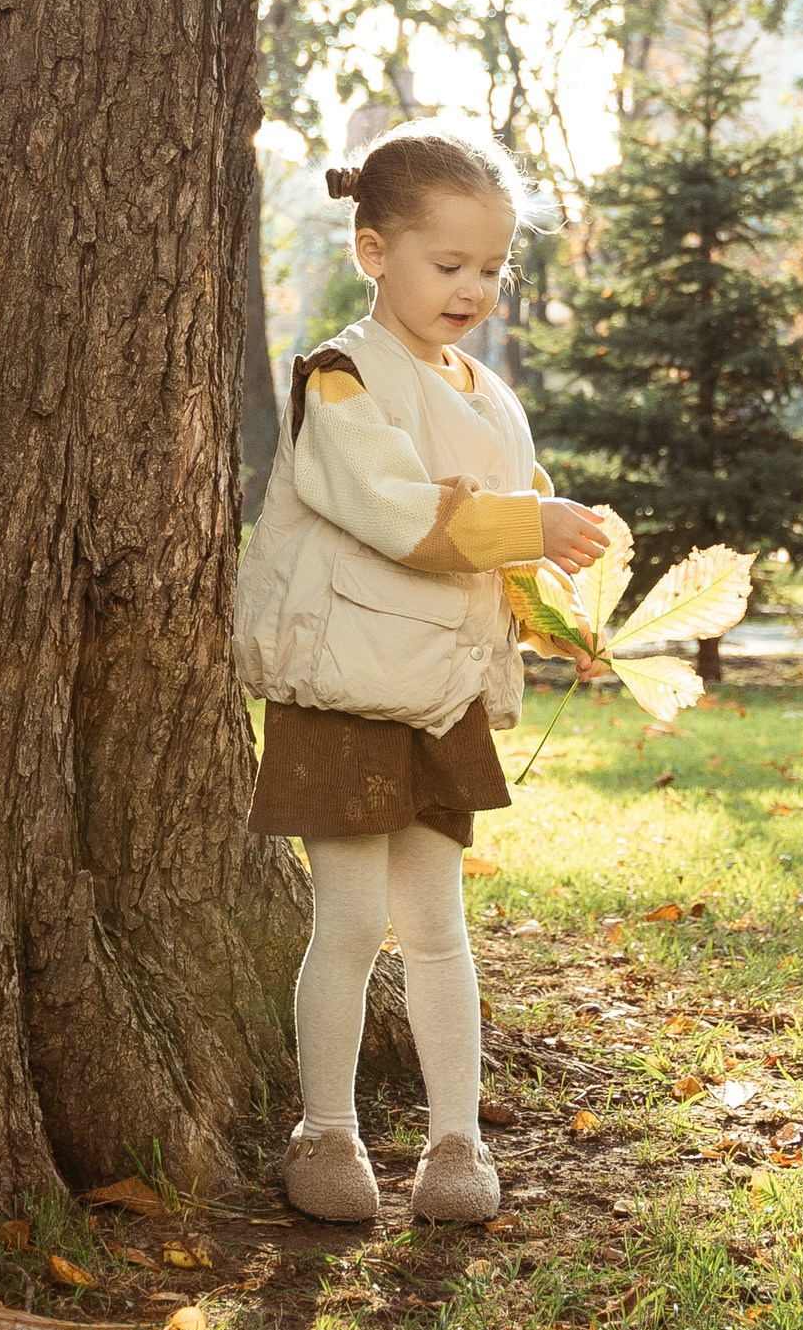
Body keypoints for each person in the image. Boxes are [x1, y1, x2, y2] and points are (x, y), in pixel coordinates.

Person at [235, 128, 612, 1225]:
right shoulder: (341, 379)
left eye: (492, 268)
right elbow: (401, 513)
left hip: (441, 697)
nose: (473, 289)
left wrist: (554, 619)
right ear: (373, 251)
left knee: (438, 926)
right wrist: (530, 521)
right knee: (351, 923)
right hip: (345, 688)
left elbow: (503, 552)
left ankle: (455, 1141)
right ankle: (327, 1131)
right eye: (449, 264)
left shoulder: (491, 397)